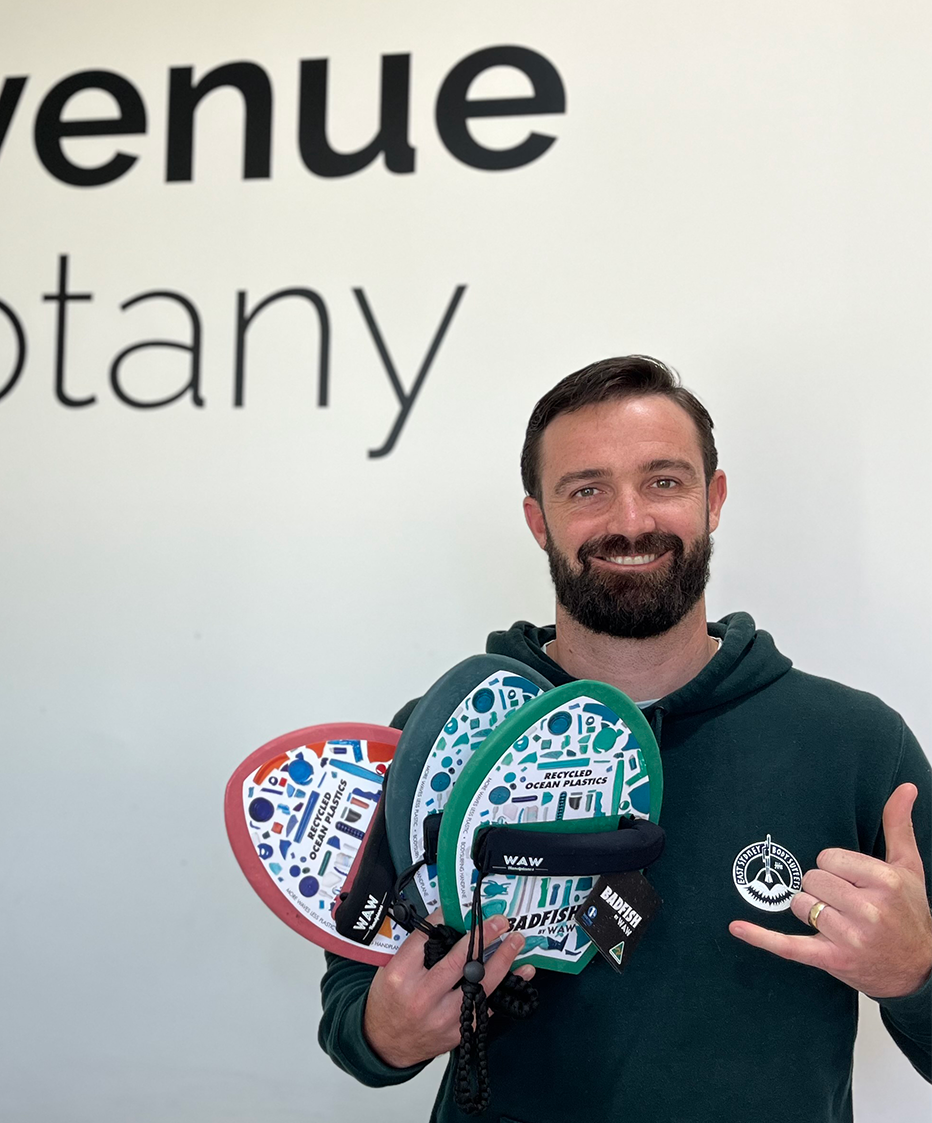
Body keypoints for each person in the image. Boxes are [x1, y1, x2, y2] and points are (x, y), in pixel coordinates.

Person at [318, 355, 932, 1122]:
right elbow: (349, 1014)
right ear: (538, 520)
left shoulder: (855, 745)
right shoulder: (442, 737)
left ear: (714, 500)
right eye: (587, 489)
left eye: (664, 481)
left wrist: (916, 972)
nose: (631, 519)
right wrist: (388, 1029)